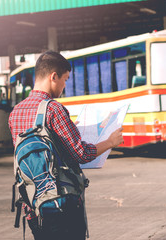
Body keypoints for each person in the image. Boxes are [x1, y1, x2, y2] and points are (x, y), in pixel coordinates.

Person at [8, 50, 123, 240]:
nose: (64, 86)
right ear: (54, 76)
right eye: (65, 80)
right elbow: (81, 154)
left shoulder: (16, 113)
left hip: (33, 206)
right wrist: (111, 141)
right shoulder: (54, 109)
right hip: (61, 203)